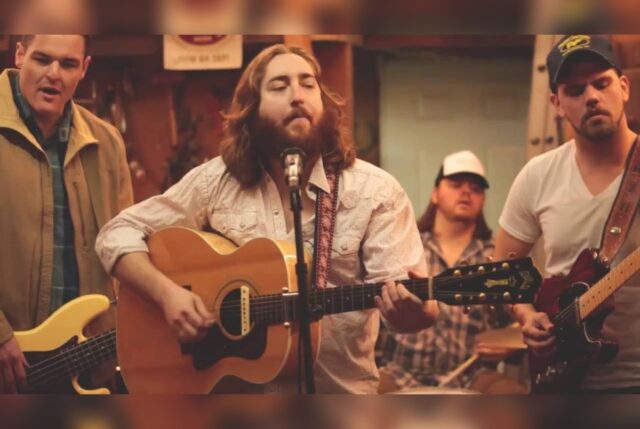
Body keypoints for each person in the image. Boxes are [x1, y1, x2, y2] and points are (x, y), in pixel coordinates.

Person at [95, 43, 438, 394]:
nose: (297, 96)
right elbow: (116, 233)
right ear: (252, 107)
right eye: (279, 86)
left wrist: (415, 311)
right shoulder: (216, 181)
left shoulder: (374, 191)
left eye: (308, 84)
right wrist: (167, 294)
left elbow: (414, 313)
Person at [495, 34, 640, 392]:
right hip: (562, 381)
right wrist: (527, 315)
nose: (591, 96)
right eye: (575, 90)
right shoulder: (537, 175)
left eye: (601, 83)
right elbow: (503, 271)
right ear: (556, 103)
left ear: (623, 87)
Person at [0, 35, 133, 393]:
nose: (54, 74)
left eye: (68, 64)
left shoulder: (107, 142)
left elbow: (125, 245)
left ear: (84, 68)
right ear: (20, 54)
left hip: (87, 365)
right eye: (42, 59)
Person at [376, 150, 526, 394]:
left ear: (483, 200)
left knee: (515, 397)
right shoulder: (404, 246)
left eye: (476, 189)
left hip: (474, 374)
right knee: (358, 398)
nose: (466, 192)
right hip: (400, 372)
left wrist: (509, 344)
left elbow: (522, 318)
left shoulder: (496, 256)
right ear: (435, 194)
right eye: (456, 185)